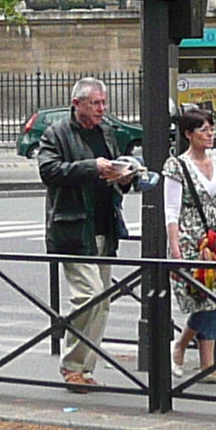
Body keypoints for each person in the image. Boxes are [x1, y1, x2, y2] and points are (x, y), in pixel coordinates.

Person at [37, 76, 141, 390]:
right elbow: (48, 171)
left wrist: (124, 176)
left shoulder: (106, 132)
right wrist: (91, 166)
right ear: (77, 103)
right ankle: (71, 365)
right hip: (72, 227)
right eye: (96, 103)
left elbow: (110, 173)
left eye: (104, 103)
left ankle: (84, 368)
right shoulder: (56, 134)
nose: (102, 109)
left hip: (103, 225)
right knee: (88, 295)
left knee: (103, 301)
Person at [164, 109, 216, 384]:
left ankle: (206, 364)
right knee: (204, 298)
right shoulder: (177, 166)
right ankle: (183, 346)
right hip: (191, 239)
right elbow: (171, 210)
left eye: (211, 129)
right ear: (188, 134)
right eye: (203, 130)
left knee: (214, 298)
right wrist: (174, 248)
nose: (210, 134)